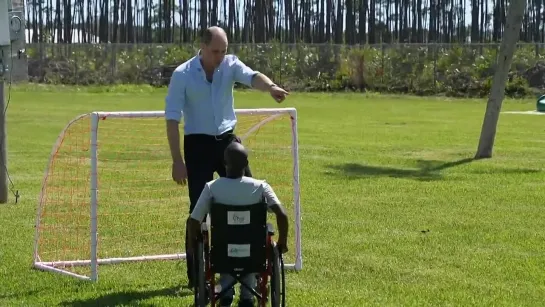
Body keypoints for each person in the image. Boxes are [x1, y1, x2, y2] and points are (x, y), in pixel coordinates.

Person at [164, 26, 289, 287]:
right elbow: (172, 119)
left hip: (227, 142)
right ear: (203, 46)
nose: (220, 56)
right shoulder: (183, 74)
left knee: (253, 199)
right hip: (197, 145)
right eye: (215, 51)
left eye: (223, 51)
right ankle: (197, 277)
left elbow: (252, 76)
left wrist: (271, 87)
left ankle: (253, 265)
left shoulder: (230, 64)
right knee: (197, 211)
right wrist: (177, 160)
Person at [187, 142, 289, 307]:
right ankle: (247, 297)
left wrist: (197, 241)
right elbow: (282, 215)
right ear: (246, 164)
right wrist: (283, 242)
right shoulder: (261, 187)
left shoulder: (212, 188)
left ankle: (226, 293)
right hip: (254, 256)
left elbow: (193, 222)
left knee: (227, 247)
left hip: (222, 255)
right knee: (251, 248)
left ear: (225, 163)